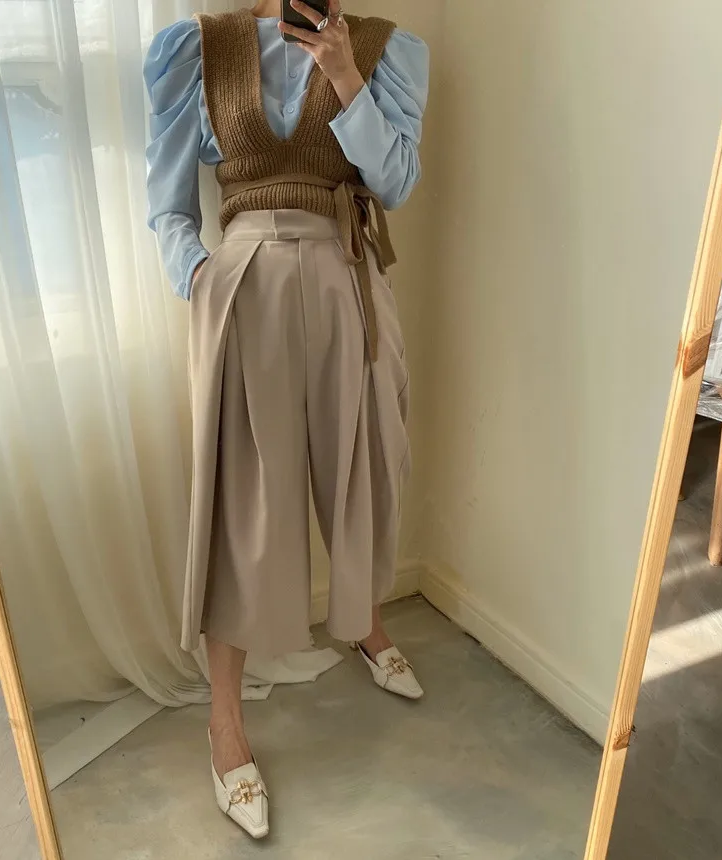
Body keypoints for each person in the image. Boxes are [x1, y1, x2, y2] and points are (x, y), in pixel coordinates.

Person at [144, 0, 428, 838]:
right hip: (244, 284)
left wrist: (344, 74)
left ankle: (364, 623)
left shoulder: (385, 49)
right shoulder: (198, 48)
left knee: (364, 469)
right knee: (242, 506)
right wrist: (199, 276)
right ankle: (225, 725)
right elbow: (167, 201)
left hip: (347, 272)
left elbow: (396, 182)